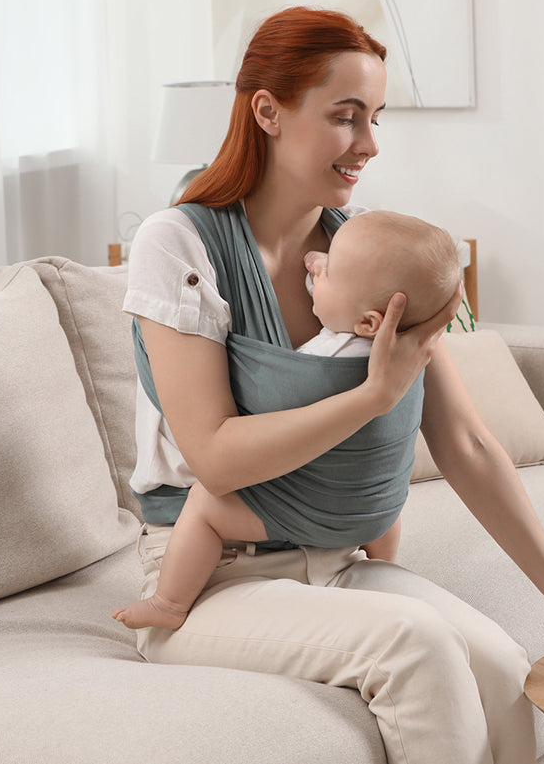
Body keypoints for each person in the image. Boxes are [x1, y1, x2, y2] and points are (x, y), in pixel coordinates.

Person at [120, 5, 544, 764]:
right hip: (206, 578)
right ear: (267, 110)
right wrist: (371, 396)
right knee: (418, 645)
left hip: (332, 556)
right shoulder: (179, 243)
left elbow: (461, 439)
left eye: (375, 118)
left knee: (500, 664)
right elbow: (217, 457)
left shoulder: (357, 249)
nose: (368, 144)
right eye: (346, 117)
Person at [113, 210, 461, 630]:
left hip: (295, 515)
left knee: (206, 502)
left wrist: (372, 399)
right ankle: (382, 568)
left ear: (369, 322)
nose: (313, 264)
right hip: (371, 518)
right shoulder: (402, 350)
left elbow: (249, 440)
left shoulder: (320, 359)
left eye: (326, 271)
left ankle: (169, 602)